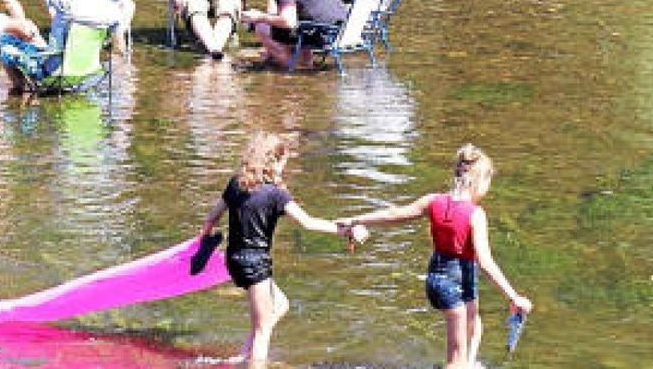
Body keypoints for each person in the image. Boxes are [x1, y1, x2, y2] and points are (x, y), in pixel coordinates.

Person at [337, 143, 533, 369]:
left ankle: (470, 364)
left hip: (438, 279)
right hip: (455, 284)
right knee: (455, 360)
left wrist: (357, 219)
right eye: (488, 182)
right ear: (479, 180)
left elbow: (394, 214)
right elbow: (486, 262)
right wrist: (513, 297)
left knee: (474, 323)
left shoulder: (433, 201)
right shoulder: (475, 214)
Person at [196, 132, 358, 365]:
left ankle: (243, 355)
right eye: (283, 163)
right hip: (256, 264)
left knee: (280, 305)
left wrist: (201, 242)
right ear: (273, 162)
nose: (284, 169)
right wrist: (342, 230)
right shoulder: (276, 195)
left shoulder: (235, 184)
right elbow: (308, 222)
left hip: (234, 260)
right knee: (264, 330)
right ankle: (254, 362)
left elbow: (211, 217)